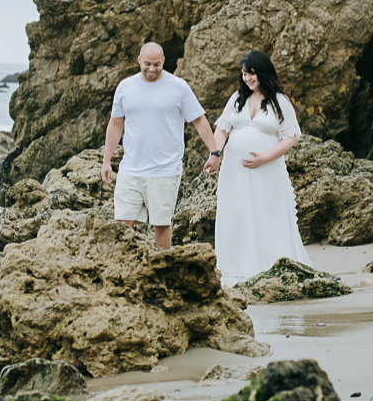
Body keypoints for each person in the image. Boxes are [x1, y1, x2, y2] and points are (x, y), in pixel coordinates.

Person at [203, 50, 312, 285]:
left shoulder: (280, 101)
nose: (247, 79)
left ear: (262, 73)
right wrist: (215, 154)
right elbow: (222, 129)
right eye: (244, 74)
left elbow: (290, 137)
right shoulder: (236, 99)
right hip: (234, 169)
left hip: (267, 170)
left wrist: (265, 157)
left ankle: (269, 264)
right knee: (236, 213)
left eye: (251, 73)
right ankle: (235, 268)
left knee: (267, 214)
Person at [101, 41, 220, 249]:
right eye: (147, 64)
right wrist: (106, 161)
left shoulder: (179, 87)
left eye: (157, 64)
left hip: (165, 169)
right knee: (122, 224)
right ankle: (124, 272)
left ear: (164, 61)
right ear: (139, 60)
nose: (152, 69)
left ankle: (163, 268)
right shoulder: (125, 87)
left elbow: (198, 119)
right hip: (130, 168)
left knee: (161, 225)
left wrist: (214, 151)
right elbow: (115, 124)